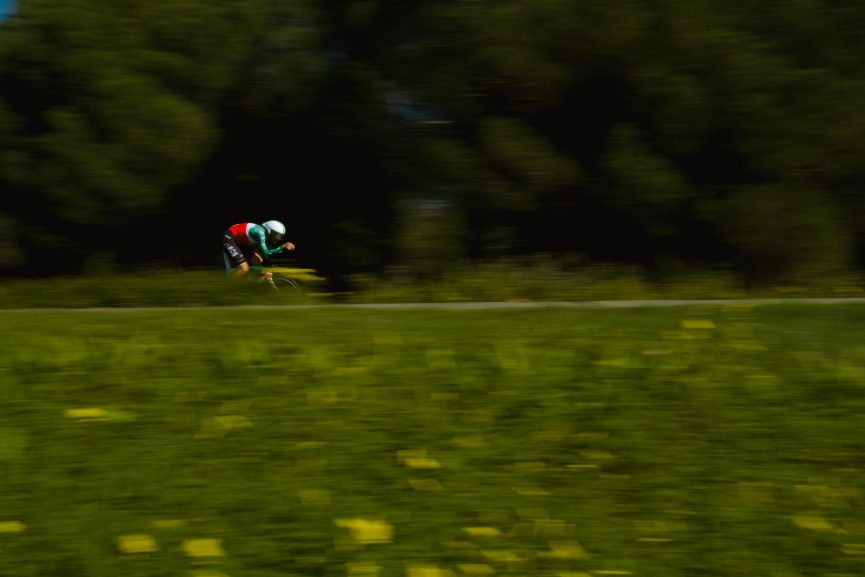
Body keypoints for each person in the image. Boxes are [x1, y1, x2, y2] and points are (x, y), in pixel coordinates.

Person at [222, 220, 296, 278]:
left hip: (241, 242)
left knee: (258, 261)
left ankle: (252, 284)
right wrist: (282, 247)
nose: (278, 239)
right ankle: (228, 285)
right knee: (244, 268)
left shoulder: (267, 238)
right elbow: (267, 252)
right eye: (276, 235)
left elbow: (266, 256)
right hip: (229, 236)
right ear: (269, 230)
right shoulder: (260, 232)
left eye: (280, 237)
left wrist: (269, 266)